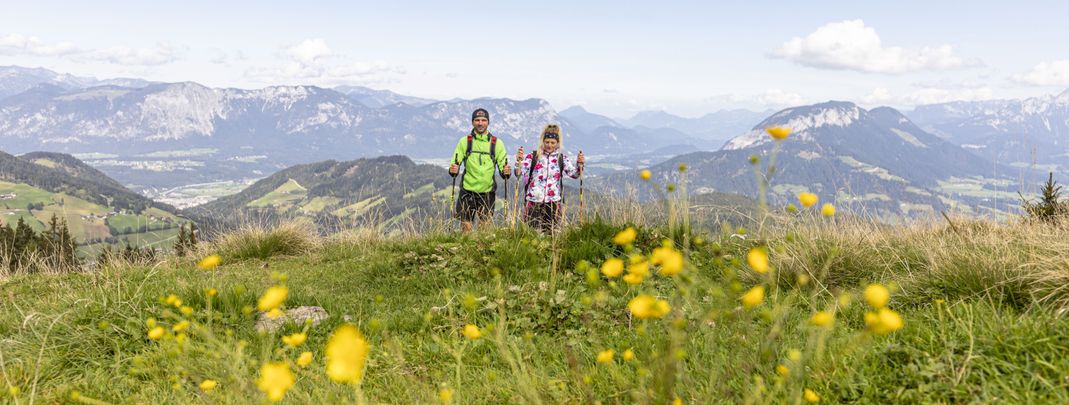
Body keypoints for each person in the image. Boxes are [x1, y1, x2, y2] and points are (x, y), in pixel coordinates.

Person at [449, 108, 511, 232]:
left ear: (488, 122)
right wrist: (453, 169)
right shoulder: (465, 141)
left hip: (487, 192)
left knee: (485, 230)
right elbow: (454, 164)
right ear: (472, 122)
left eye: (483, 120)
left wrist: (506, 172)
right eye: (477, 120)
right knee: (466, 229)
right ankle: (468, 250)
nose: (480, 123)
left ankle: (482, 250)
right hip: (467, 191)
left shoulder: (496, 143)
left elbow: (503, 169)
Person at [515, 124, 585, 234]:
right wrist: (518, 161)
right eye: (547, 142)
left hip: (553, 202)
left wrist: (579, 164)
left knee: (552, 233)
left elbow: (574, 174)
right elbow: (519, 173)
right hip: (533, 200)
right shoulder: (533, 156)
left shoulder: (561, 158)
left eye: (552, 142)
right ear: (543, 141)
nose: (549, 145)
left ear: (557, 143)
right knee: (532, 234)